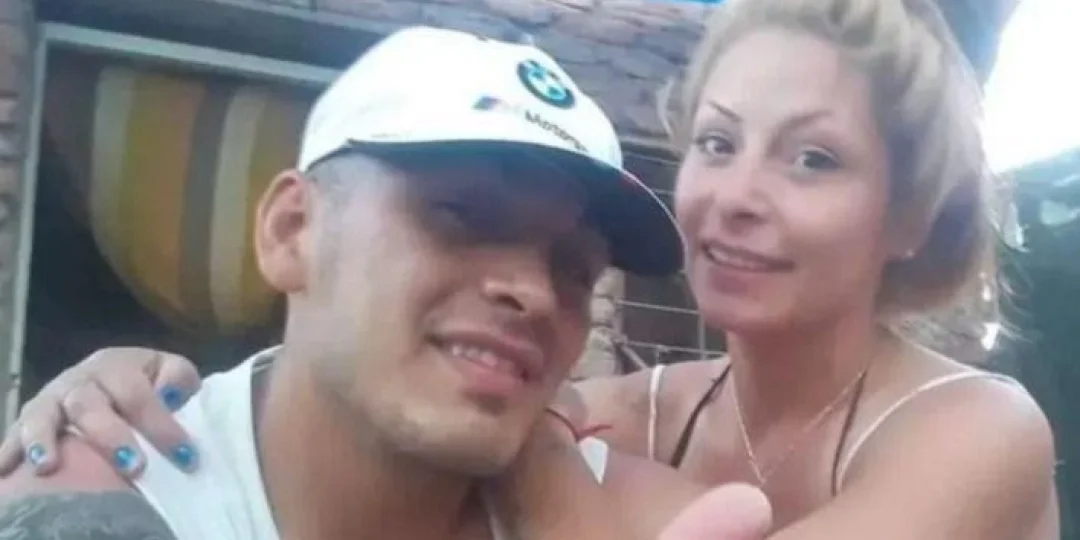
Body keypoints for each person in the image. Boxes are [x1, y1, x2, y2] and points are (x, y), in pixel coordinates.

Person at [0, 0, 1061, 538]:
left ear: (909, 217)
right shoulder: (618, 418)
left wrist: (536, 458)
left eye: (813, 158)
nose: (736, 193)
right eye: (717, 141)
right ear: (290, 229)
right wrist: (121, 382)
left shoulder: (977, 428)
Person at [0, 24, 777, 540]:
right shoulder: (103, 498)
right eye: (463, 216)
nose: (536, 293)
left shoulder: (650, 525)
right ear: (291, 231)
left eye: (574, 268)